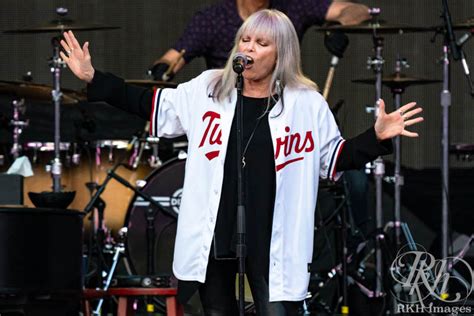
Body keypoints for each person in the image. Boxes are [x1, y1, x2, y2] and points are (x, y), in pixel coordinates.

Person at [60, 9, 423, 316]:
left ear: (280, 54)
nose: (249, 48)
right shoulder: (208, 89)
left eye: (261, 43)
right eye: (246, 40)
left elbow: (335, 159)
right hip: (216, 235)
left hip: (273, 238)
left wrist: (375, 138)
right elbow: (149, 104)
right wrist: (95, 78)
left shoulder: (306, 104)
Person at [148, 0, 371, 80]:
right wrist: (163, 69)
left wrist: (339, 27)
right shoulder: (212, 20)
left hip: (283, 109)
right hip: (230, 112)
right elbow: (173, 58)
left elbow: (358, 10)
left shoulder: (294, 5)